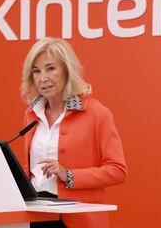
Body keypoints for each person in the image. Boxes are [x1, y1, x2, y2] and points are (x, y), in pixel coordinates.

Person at [20, 37, 127, 228]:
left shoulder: (96, 113)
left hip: (78, 220)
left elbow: (118, 171)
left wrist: (68, 175)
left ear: (67, 71)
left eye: (51, 68)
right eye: (36, 71)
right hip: (36, 214)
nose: (43, 78)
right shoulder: (31, 114)